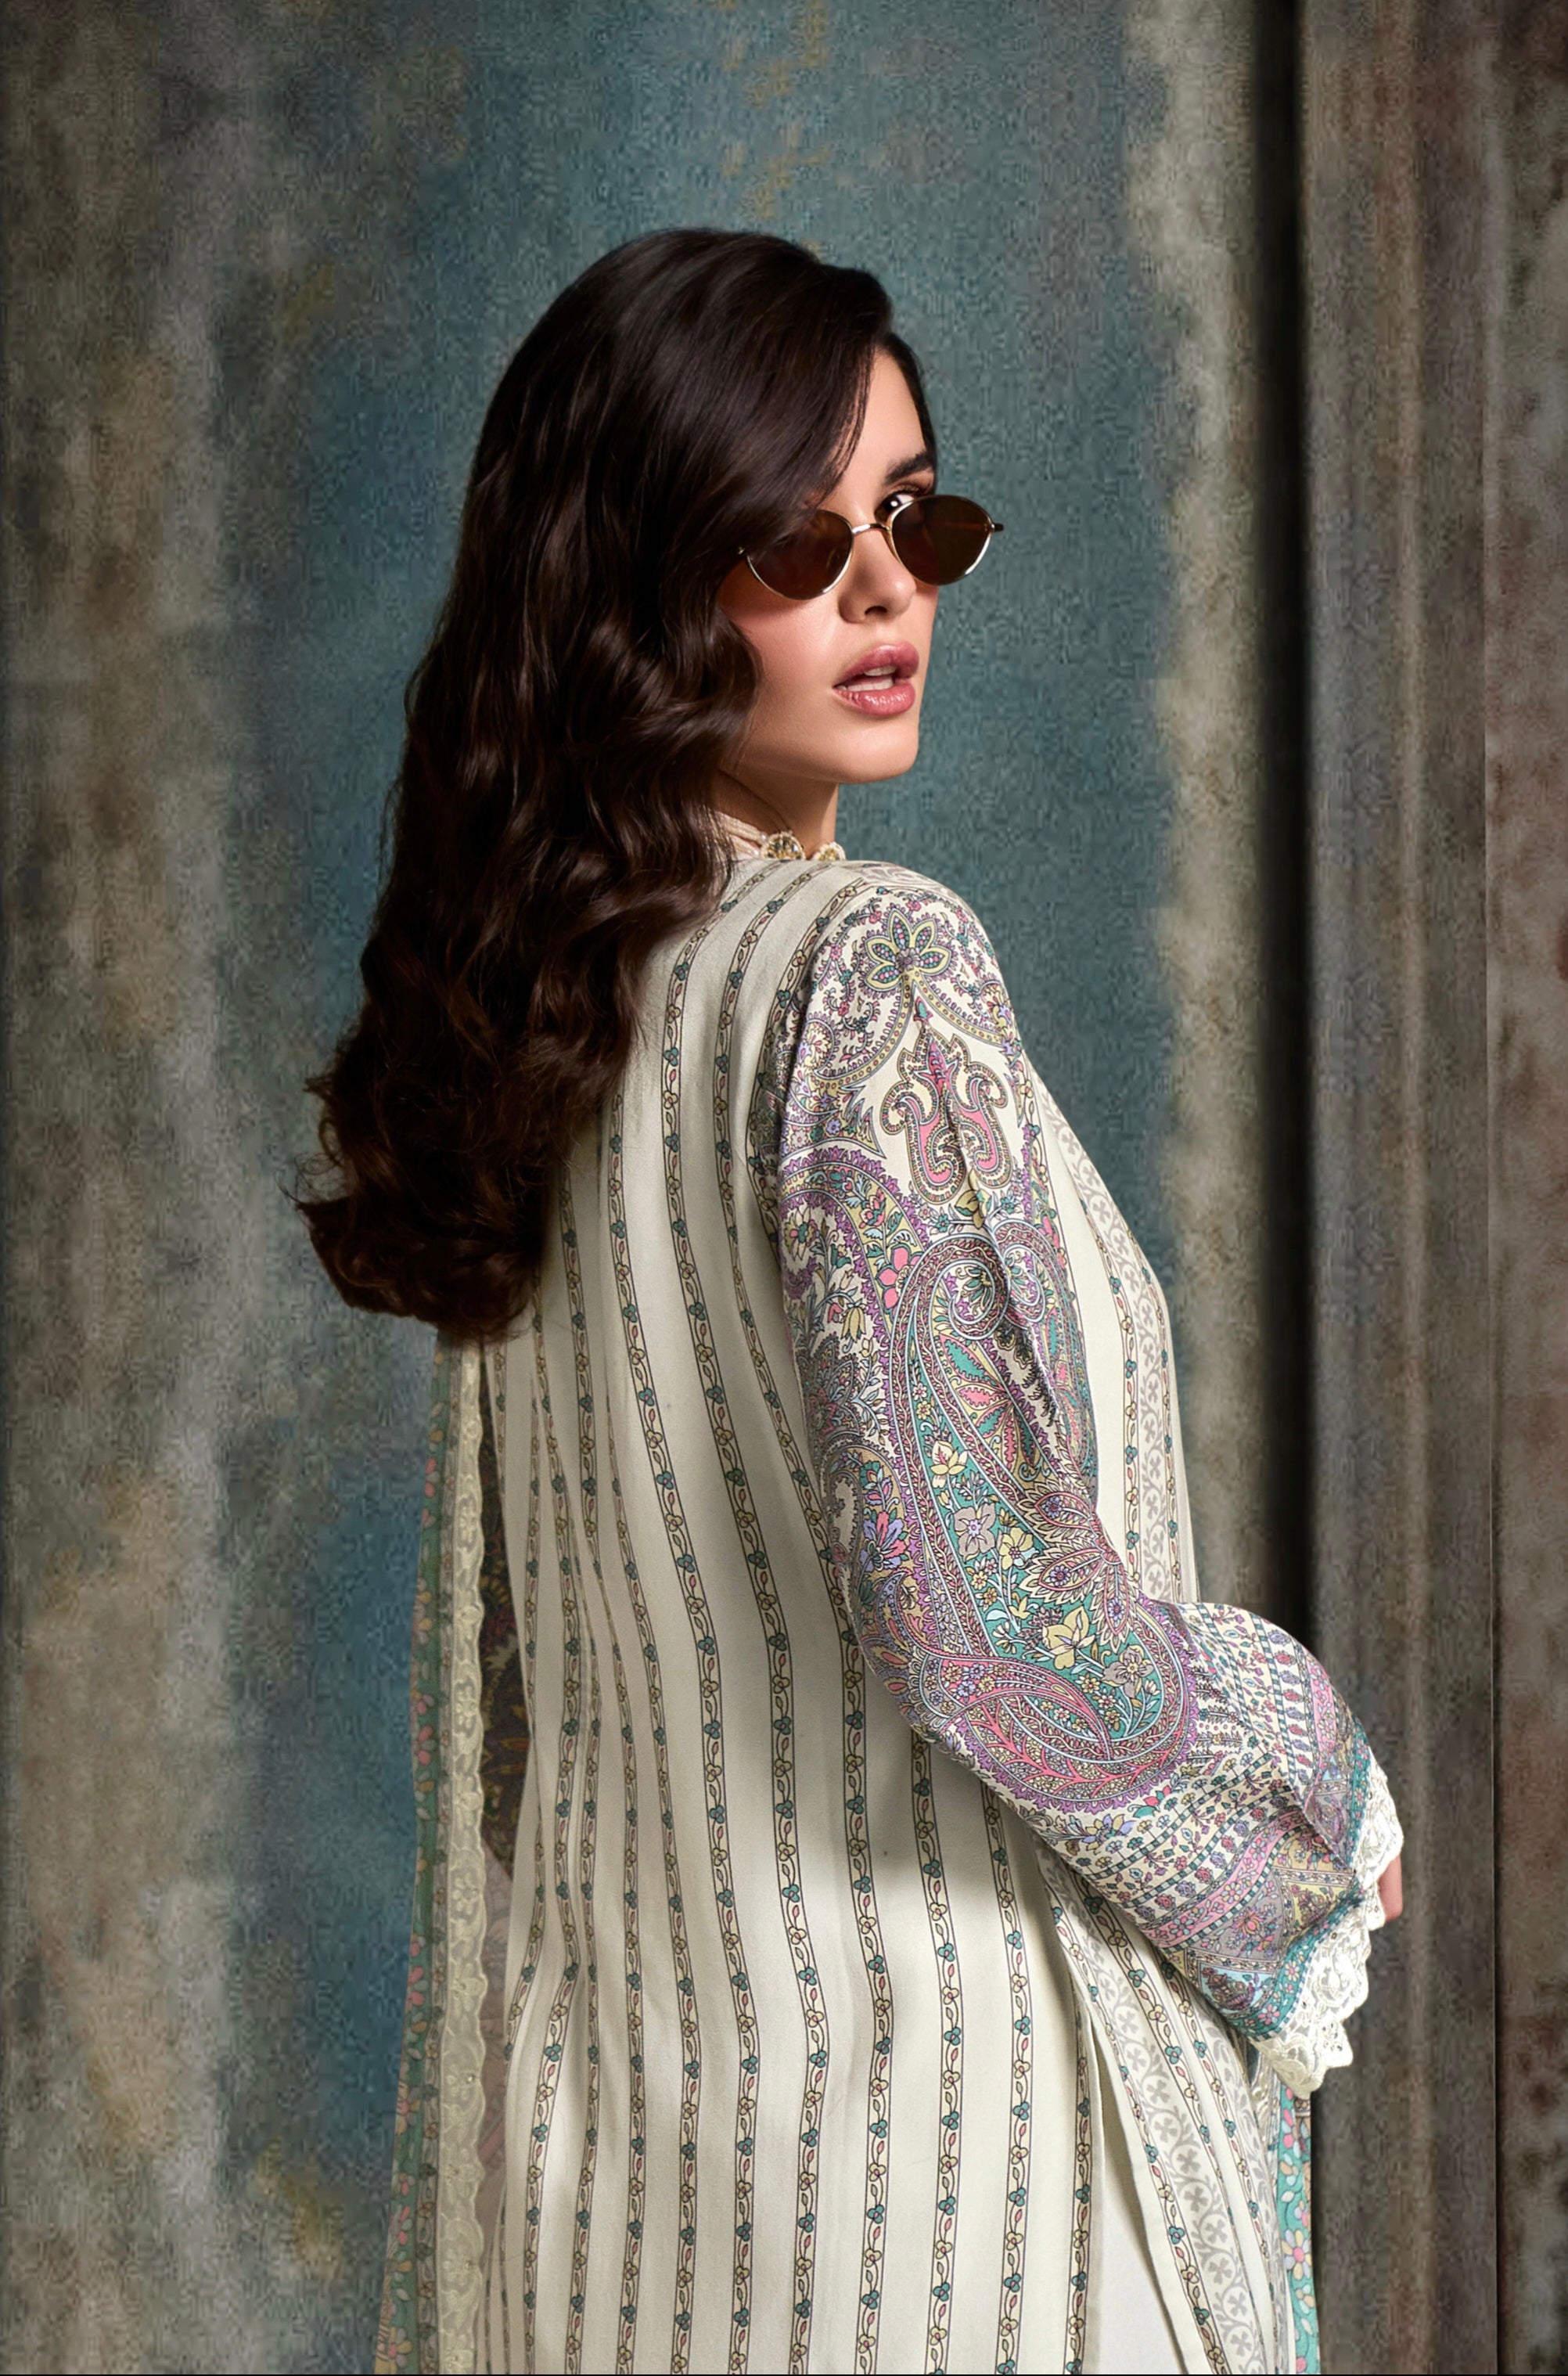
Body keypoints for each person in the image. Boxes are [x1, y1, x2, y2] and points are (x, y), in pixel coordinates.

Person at [300, 228, 1402, 2376]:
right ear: (633, 591)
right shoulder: (867, 970)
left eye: (918, 518)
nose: (888, 594)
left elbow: (513, 1729)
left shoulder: (539, 1048)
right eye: (797, 546)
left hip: (614, 2218)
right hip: (957, 2181)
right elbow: (992, 1616)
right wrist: (1311, 1767)